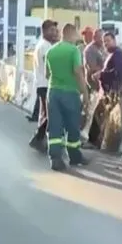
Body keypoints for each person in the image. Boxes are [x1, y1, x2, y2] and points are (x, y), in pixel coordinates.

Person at [44, 23, 89, 171]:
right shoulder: (74, 51)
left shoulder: (51, 51)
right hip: (70, 93)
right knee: (72, 126)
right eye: (77, 34)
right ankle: (74, 156)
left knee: (55, 126)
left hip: (53, 93)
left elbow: (47, 75)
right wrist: (85, 93)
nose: (78, 37)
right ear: (71, 33)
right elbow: (78, 72)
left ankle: (55, 158)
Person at [88, 32, 122, 148]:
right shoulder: (112, 55)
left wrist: (101, 75)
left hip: (113, 91)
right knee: (100, 115)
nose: (106, 44)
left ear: (114, 41)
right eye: (104, 41)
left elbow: (117, 73)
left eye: (108, 41)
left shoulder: (118, 55)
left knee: (99, 114)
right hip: (109, 90)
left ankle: (93, 142)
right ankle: (96, 141)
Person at [28, 19, 58, 152]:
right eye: (51, 30)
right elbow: (49, 65)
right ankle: (38, 139)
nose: (54, 33)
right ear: (44, 31)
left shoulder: (44, 44)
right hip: (45, 84)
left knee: (46, 114)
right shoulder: (45, 46)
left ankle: (39, 139)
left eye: (55, 30)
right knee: (49, 114)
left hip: (42, 84)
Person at [80, 29, 105, 146]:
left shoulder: (100, 49)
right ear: (95, 38)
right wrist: (106, 70)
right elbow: (92, 68)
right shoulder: (90, 50)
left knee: (96, 112)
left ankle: (93, 138)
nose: (103, 41)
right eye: (101, 38)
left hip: (99, 85)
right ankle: (89, 138)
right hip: (93, 85)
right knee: (92, 112)